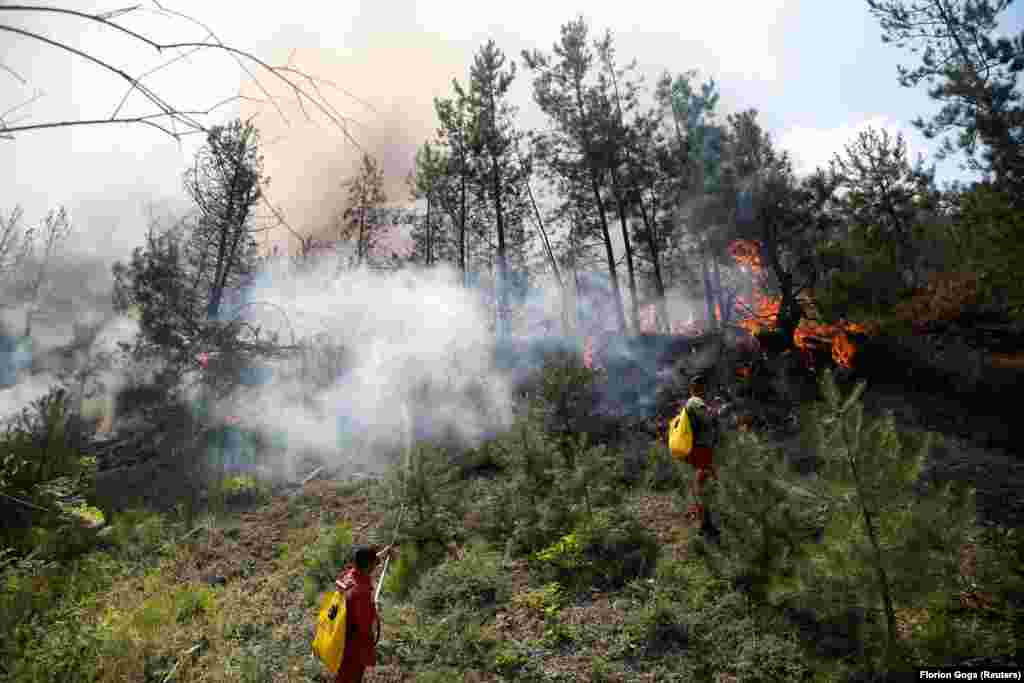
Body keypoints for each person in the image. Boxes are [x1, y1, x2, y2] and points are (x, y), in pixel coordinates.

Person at [333, 544, 394, 683]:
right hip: (353, 647)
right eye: (374, 564)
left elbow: (368, 563)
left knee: (343, 674)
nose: (375, 566)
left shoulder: (350, 575)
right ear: (369, 566)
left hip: (342, 640)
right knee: (349, 677)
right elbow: (365, 628)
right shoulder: (361, 593)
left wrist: (384, 553)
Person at [683, 373, 721, 542]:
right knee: (704, 486)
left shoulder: (693, 402)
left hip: (701, 450)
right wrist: (718, 411)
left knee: (705, 485)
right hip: (702, 450)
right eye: (704, 388)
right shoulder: (696, 401)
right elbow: (707, 418)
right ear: (698, 388)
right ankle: (705, 526)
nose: (706, 391)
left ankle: (706, 524)